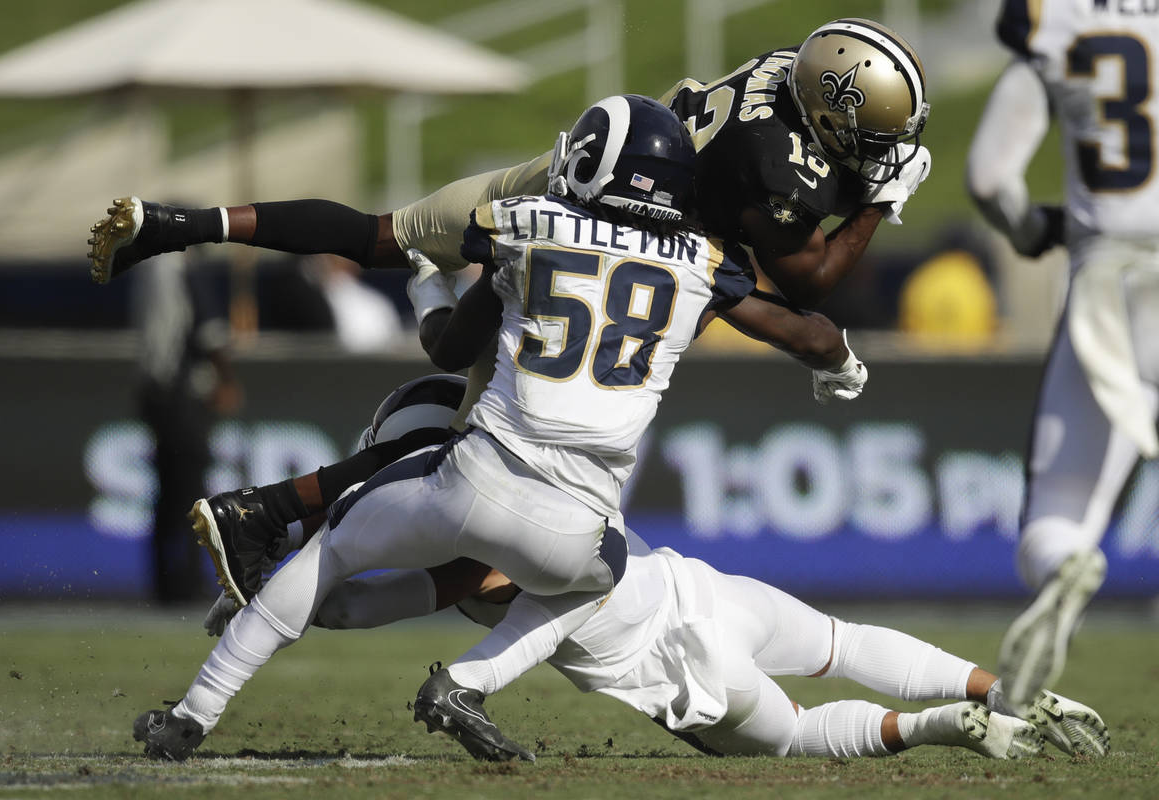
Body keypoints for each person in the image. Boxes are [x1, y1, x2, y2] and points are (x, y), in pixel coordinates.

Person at [88, 16, 931, 608]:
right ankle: (265, 512)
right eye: (878, 138)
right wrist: (878, 203)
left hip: (577, 170)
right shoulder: (778, 168)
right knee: (482, 448)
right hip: (614, 251)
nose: (884, 153)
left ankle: (179, 225)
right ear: (832, 114)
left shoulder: (790, 71)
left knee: (382, 234)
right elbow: (811, 281)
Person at [131, 94, 868, 761]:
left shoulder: (522, 226)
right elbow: (806, 331)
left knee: (326, 555)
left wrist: (426, 293)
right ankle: (467, 683)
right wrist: (841, 357)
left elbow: (450, 351)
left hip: (474, 473)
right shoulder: (705, 264)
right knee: (603, 577)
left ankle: (194, 711)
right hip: (576, 524)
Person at [188, 374, 1109, 764]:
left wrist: (277, 596)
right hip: (700, 586)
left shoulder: (465, 546)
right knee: (844, 642)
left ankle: (950, 726)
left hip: (672, 667)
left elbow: (366, 607)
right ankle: (1006, 691)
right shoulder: (540, 473)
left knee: (796, 737)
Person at [966, 0, 1159, 711]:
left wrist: (1031, 231)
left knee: (1059, 514)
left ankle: (1068, 563)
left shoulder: (1057, 17)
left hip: (1114, 276)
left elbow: (990, 179)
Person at [132, 249, 242, 605]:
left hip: (155, 391)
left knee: (166, 493)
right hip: (183, 394)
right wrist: (226, 379)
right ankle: (189, 581)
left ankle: (165, 582)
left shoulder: (149, 268)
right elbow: (210, 334)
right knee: (192, 493)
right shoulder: (183, 269)